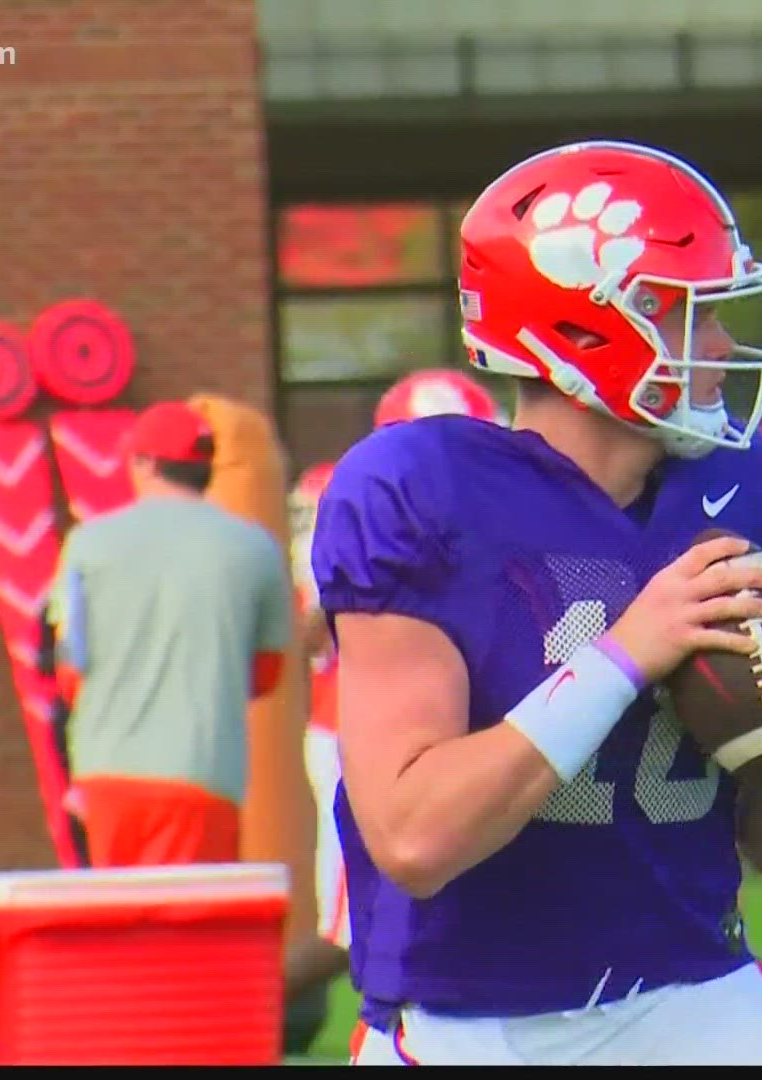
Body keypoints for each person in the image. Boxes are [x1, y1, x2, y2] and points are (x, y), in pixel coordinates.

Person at [313, 140, 762, 1066]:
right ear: (587, 326)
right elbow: (414, 835)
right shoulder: (425, 492)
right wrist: (627, 655)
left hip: (693, 991)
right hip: (475, 1021)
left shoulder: (748, 492)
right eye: (688, 315)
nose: (719, 346)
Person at [283, 369, 507, 1021]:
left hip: (449, 728)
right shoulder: (363, 511)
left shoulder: (489, 516)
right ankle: (232, 1012)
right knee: (354, 920)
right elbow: (311, 630)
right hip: (363, 732)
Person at [46, 401, 294, 868]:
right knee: (186, 933)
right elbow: (266, 675)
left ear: (144, 463)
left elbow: (69, 674)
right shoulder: (255, 549)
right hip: (202, 773)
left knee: (113, 928)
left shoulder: (86, 544)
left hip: (104, 776)